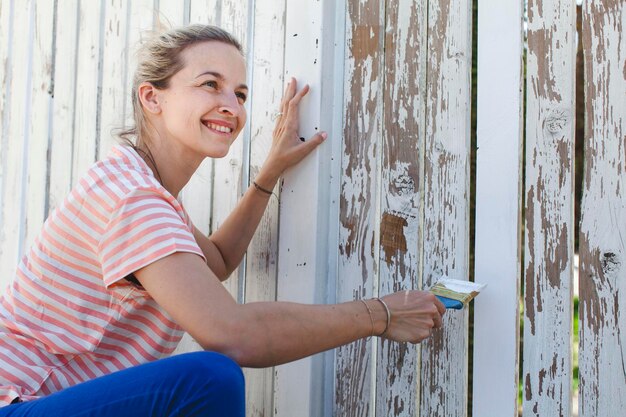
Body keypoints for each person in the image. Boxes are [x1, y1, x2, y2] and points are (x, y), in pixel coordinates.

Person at [0, 24, 445, 416]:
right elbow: (233, 336)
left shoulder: (141, 186)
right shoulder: (133, 198)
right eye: (210, 84)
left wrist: (267, 175)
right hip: (16, 402)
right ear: (152, 97)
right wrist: (380, 315)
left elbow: (213, 263)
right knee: (208, 378)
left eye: (240, 93)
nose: (230, 103)